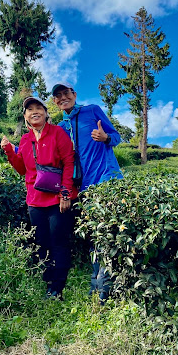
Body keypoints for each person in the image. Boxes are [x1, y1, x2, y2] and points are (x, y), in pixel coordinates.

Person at [51, 81, 123, 303]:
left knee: (109, 234)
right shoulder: (61, 127)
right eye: (58, 96)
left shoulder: (92, 110)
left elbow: (117, 137)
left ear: (74, 94)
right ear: (54, 102)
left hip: (106, 180)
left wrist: (106, 138)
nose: (63, 97)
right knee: (95, 235)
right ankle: (98, 286)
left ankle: (106, 289)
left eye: (66, 93)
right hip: (84, 188)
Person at [1, 96, 78, 300]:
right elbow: (22, 170)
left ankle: (58, 287)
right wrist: (9, 151)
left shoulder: (57, 133)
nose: (34, 112)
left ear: (46, 113)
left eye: (38, 108)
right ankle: (48, 282)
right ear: (25, 117)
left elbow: (69, 163)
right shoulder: (26, 139)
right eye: (29, 110)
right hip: (34, 200)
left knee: (58, 241)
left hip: (56, 199)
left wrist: (65, 193)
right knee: (41, 241)